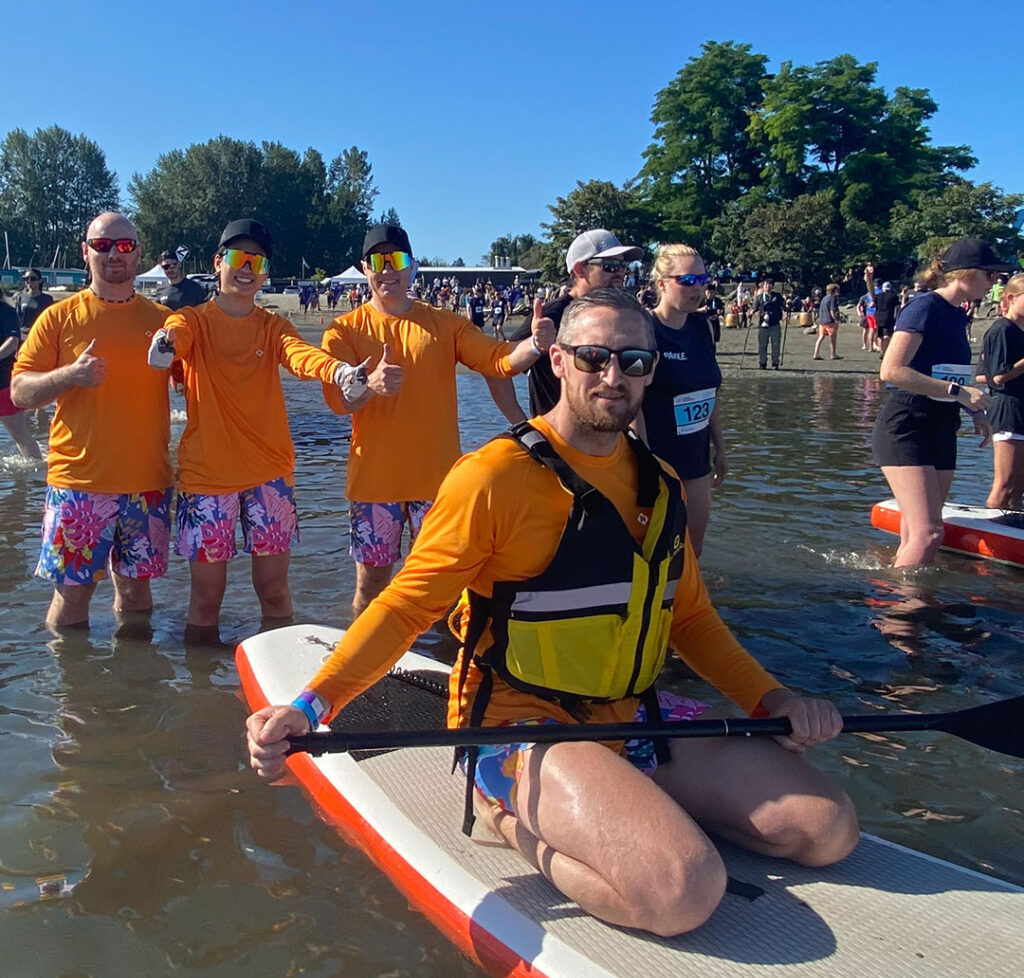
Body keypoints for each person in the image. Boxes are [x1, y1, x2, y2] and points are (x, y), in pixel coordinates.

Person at [247, 288, 858, 938]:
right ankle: (500, 812)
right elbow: (402, 608)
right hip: (518, 724)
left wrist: (773, 699)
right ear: (559, 361)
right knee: (684, 890)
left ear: (653, 369)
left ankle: (628, 802)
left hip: (632, 715)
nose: (613, 376)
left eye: (633, 361)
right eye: (593, 356)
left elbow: (690, 621)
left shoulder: (661, 485)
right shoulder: (493, 479)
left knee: (827, 830)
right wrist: (311, 706)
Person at [320, 224, 554, 617]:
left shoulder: (446, 324)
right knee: (372, 585)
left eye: (396, 260)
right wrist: (369, 384)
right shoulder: (344, 330)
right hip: (374, 485)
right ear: (364, 268)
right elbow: (339, 402)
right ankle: (365, 670)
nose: (387, 270)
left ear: (411, 266)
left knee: (442, 589)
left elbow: (496, 359)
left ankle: (441, 665)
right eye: (378, 261)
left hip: (440, 485)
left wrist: (534, 345)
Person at [147, 219, 348, 643]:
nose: (246, 268)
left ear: (265, 273)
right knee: (206, 597)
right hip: (206, 479)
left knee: (273, 591)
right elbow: (175, 338)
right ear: (219, 263)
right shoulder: (193, 320)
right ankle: (201, 694)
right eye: (238, 258)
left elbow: (300, 357)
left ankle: (282, 673)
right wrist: (164, 345)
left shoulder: (273, 327)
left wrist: (339, 370)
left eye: (256, 262)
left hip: (269, 477)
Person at [10, 212, 174, 629]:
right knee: (71, 599)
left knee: (137, 595)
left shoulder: (163, 323)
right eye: (102, 246)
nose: (113, 255)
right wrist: (70, 375)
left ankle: (135, 687)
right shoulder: (59, 317)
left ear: (138, 252)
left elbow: (199, 382)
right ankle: (73, 693)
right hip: (78, 485)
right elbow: (19, 392)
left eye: (124, 246)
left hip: (147, 483)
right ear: (86, 251)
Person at [871, 238, 1013, 566]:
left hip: (941, 424)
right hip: (906, 423)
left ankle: (905, 596)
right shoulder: (925, 307)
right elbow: (890, 370)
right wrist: (959, 393)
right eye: (990, 274)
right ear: (964, 273)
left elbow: (949, 373)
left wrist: (971, 409)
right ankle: (903, 613)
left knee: (916, 530)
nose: (994, 281)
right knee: (929, 533)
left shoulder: (958, 315)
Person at [637, 244, 725, 558]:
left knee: (692, 551)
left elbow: (709, 392)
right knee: (654, 551)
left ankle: (688, 606)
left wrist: (721, 447)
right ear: (661, 283)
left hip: (697, 459)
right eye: (688, 280)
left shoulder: (702, 326)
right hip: (656, 459)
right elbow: (634, 402)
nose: (698, 288)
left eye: (703, 279)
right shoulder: (644, 329)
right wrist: (645, 461)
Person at [505, 229, 643, 415]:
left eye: (622, 265)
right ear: (580, 270)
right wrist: (522, 427)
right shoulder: (551, 315)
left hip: (608, 434)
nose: (619, 273)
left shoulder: (620, 314)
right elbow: (498, 368)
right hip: (556, 436)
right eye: (610, 266)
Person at [979, 273, 1024, 509]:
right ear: (1011, 298)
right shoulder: (1002, 329)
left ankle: (1013, 526)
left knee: (1019, 484)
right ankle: (992, 524)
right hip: (1007, 407)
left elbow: (983, 374)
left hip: (1019, 405)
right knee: (1005, 482)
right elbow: (997, 376)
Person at [1, 293, 43, 460]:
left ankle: (37, 474)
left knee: (20, 435)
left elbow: (12, 341)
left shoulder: (6, 311)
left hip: (3, 383)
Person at [752, 277, 784, 369]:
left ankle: (775, 363)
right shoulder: (759, 297)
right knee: (762, 345)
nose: (767, 286)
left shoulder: (777, 296)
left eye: (770, 284)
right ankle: (762, 363)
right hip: (763, 324)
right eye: (766, 284)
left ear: (773, 286)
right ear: (763, 286)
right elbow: (754, 307)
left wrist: (788, 304)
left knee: (775, 345)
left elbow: (784, 306)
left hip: (774, 323)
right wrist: (751, 312)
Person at [15, 268, 55, 333]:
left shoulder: (47, 299)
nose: (29, 281)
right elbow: (17, 319)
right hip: (23, 335)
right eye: (26, 279)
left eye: (33, 279)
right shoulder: (20, 297)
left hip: (40, 334)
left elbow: (51, 320)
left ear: (40, 281)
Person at [812, 284, 841, 360]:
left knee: (820, 337)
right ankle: (833, 354)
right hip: (830, 321)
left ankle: (816, 353)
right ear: (834, 290)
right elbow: (832, 310)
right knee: (833, 338)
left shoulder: (824, 298)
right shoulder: (833, 298)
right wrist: (835, 319)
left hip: (822, 321)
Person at [874, 281, 900, 359]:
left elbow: (873, 305)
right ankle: (886, 352)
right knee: (887, 336)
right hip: (888, 317)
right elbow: (897, 307)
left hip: (878, 317)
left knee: (880, 336)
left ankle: (881, 352)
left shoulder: (878, 296)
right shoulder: (894, 296)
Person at [697, 283, 725, 348]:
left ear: (714, 292)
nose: (709, 294)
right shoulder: (701, 301)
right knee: (703, 338)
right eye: (708, 293)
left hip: (714, 321)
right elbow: (693, 310)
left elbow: (721, 310)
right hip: (704, 321)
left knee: (714, 338)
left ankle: (713, 349)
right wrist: (701, 310)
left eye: (711, 293)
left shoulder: (718, 301)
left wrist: (719, 313)